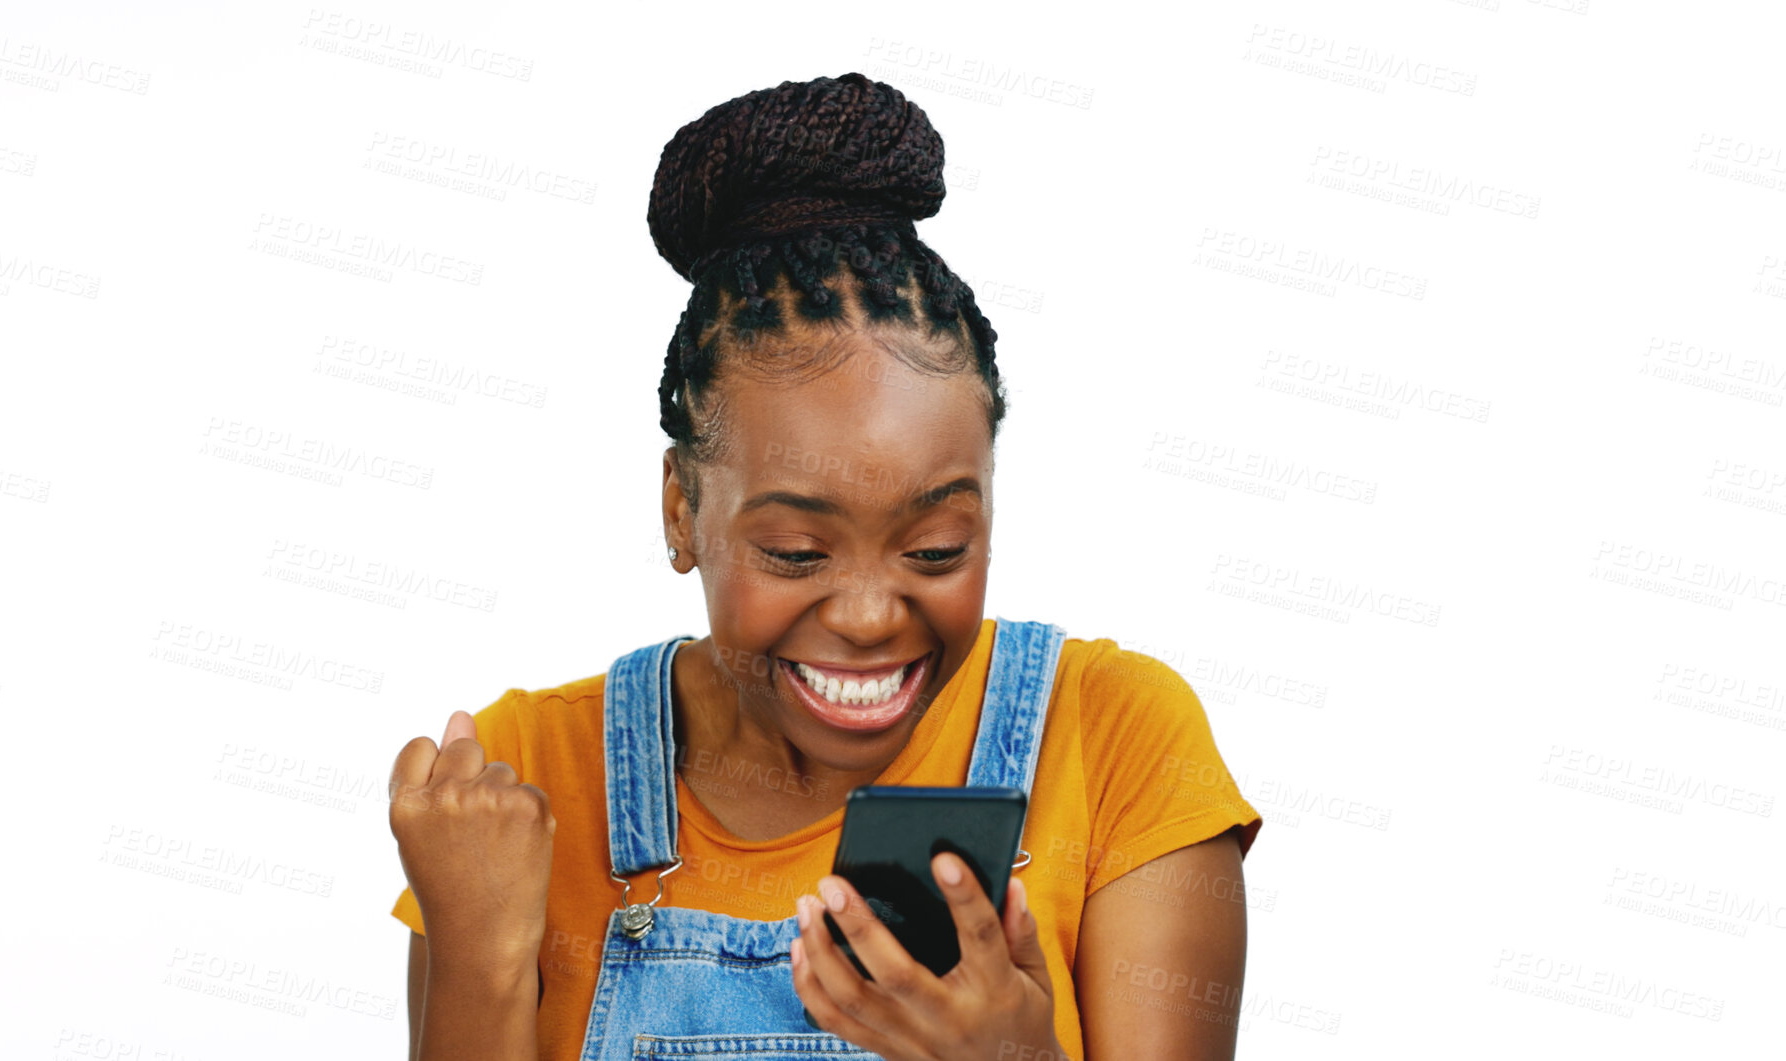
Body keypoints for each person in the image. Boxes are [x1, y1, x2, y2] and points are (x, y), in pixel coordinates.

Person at [387, 71, 1263, 1061]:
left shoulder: (1115, 743)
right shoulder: (529, 777)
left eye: (935, 547)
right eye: (796, 552)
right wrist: (480, 953)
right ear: (681, 509)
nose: (865, 612)